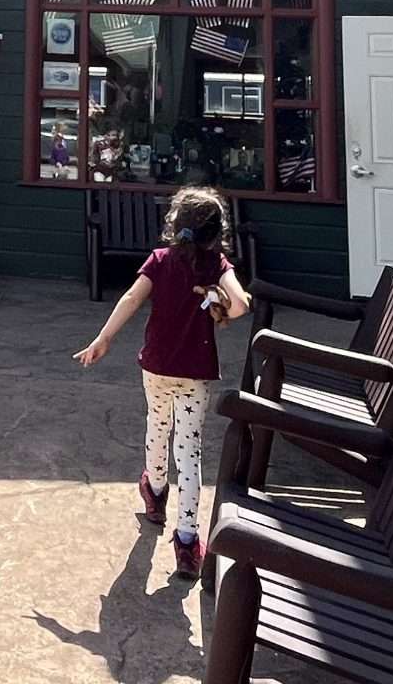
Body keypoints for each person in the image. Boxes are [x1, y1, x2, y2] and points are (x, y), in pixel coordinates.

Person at [73, 186, 249, 577]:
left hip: (156, 366)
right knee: (190, 454)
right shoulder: (218, 266)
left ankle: (154, 492)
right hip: (196, 372)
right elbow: (240, 306)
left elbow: (131, 300)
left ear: (176, 224)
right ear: (216, 231)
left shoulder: (160, 260)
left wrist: (103, 339)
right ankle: (188, 543)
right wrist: (219, 299)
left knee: (158, 425)